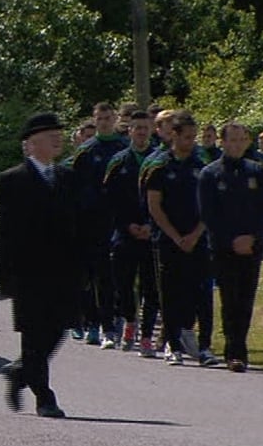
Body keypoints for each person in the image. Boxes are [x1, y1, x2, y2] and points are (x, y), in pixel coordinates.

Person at [0, 112, 80, 418]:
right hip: (28, 274)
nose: (57, 139)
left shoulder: (68, 178)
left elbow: (77, 226)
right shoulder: (13, 180)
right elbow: (3, 232)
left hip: (62, 272)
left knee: (57, 330)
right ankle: (45, 397)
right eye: (48, 135)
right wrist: (4, 276)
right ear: (30, 144)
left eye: (59, 133)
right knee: (33, 336)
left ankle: (19, 372)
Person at [142, 110, 218, 366]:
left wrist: (196, 234)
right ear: (173, 136)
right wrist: (176, 236)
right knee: (170, 292)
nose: (191, 142)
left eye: (193, 137)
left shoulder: (203, 163)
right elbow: (154, 205)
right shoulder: (159, 166)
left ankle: (205, 346)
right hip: (167, 240)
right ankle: (172, 344)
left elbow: (211, 204)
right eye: (186, 137)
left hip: (198, 238)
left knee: (202, 292)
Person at [198, 122, 263, 373]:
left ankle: (240, 347)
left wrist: (254, 239)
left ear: (247, 142)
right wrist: (231, 241)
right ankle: (233, 350)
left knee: (246, 299)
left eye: (241, 140)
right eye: (231, 140)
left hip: (252, 247)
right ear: (222, 142)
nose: (236, 144)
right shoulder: (210, 174)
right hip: (223, 248)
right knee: (230, 298)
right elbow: (209, 214)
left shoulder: (257, 172)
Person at [70, 102, 129, 348]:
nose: (104, 122)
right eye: (100, 118)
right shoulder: (85, 151)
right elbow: (72, 187)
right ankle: (90, 322)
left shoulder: (123, 148)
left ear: (115, 118)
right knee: (87, 276)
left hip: (115, 221)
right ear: (95, 120)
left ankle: (109, 326)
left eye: (108, 117)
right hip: (88, 221)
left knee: (109, 276)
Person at [103, 111, 159, 355]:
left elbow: (166, 201)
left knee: (151, 287)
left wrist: (150, 225)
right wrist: (127, 225)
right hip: (125, 234)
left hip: (152, 233)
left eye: (145, 128)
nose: (141, 132)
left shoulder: (159, 160)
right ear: (129, 131)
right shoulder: (118, 161)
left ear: (152, 130)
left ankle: (146, 336)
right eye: (137, 128)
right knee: (123, 285)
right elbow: (109, 198)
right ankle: (129, 321)